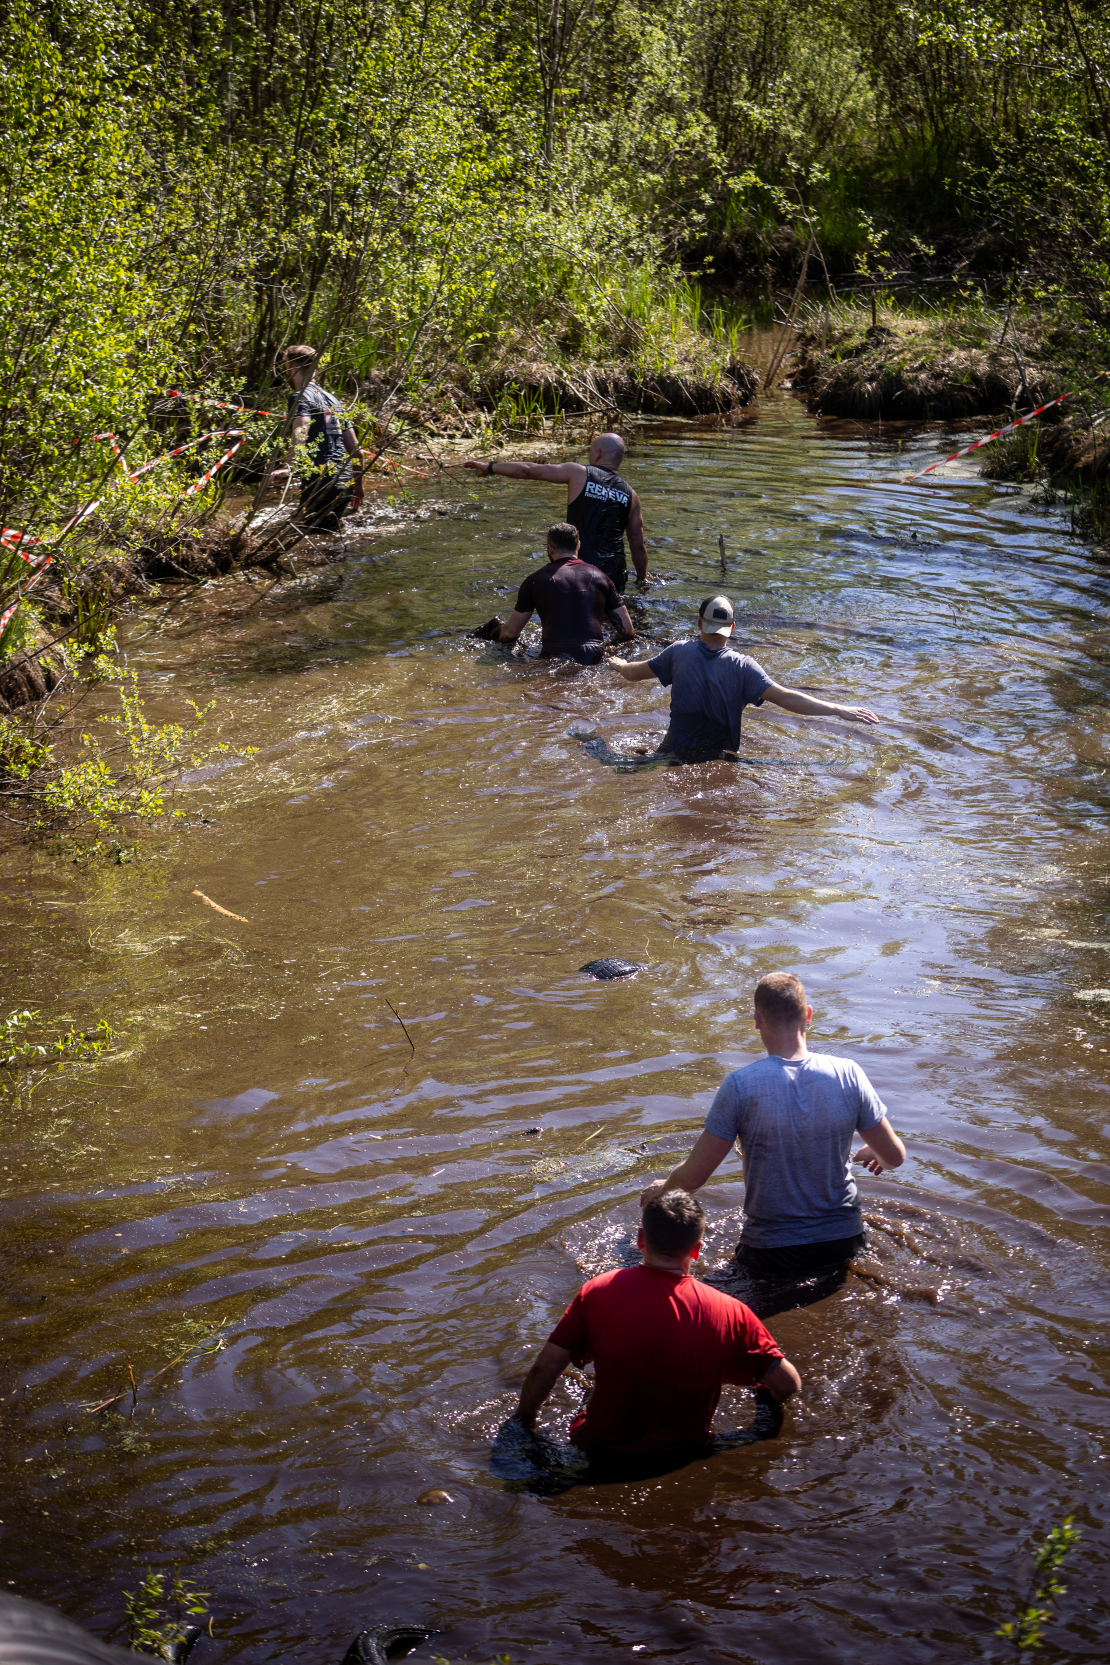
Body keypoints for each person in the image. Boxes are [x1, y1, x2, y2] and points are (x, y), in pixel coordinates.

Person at [640, 973, 906, 1312]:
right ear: (808, 1015)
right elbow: (895, 1156)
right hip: (844, 1242)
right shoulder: (848, 1073)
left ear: (757, 1020)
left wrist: (663, 1189)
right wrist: (876, 1155)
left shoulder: (741, 1085)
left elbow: (693, 1179)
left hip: (771, 1252)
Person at [512, 1190, 801, 1475]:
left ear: (640, 1239)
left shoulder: (598, 1291)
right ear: (697, 1250)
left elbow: (546, 1367)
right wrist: (763, 1396)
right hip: (684, 1455)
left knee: (590, 1389)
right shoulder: (732, 1312)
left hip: (598, 1449)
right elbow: (788, 1384)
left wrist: (523, 1420)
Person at [610, 593, 880, 761]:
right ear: (733, 627)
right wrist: (840, 709)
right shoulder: (744, 667)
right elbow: (787, 698)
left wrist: (620, 663)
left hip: (672, 752)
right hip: (716, 759)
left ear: (700, 624)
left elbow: (633, 674)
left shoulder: (678, 652)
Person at [463, 432, 648, 591]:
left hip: (580, 572)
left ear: (598, 453)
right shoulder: (632, 496)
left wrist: (490, 467)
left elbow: (529, 470)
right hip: (614, 576)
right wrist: (642, 579)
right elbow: (638, 545)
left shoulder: (579, 473)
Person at [483, 522, 635, 664]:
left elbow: (510, 634)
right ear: (579, 545)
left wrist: (492, 633)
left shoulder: (535, 580)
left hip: (553, 656)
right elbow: (627, 631)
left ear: (550, 548)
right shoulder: (601, 577)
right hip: (594, 657)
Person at [281, 344, 364, 530]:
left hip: (322, 480)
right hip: (345, 479)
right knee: (329, 534)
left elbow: (301, 428)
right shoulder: (333, 401)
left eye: (285, 366)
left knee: (312, 536)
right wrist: (358, 487)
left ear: (293, 367)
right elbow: (356, 451)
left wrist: (288, 467)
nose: (285, 371)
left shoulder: (300, 397)